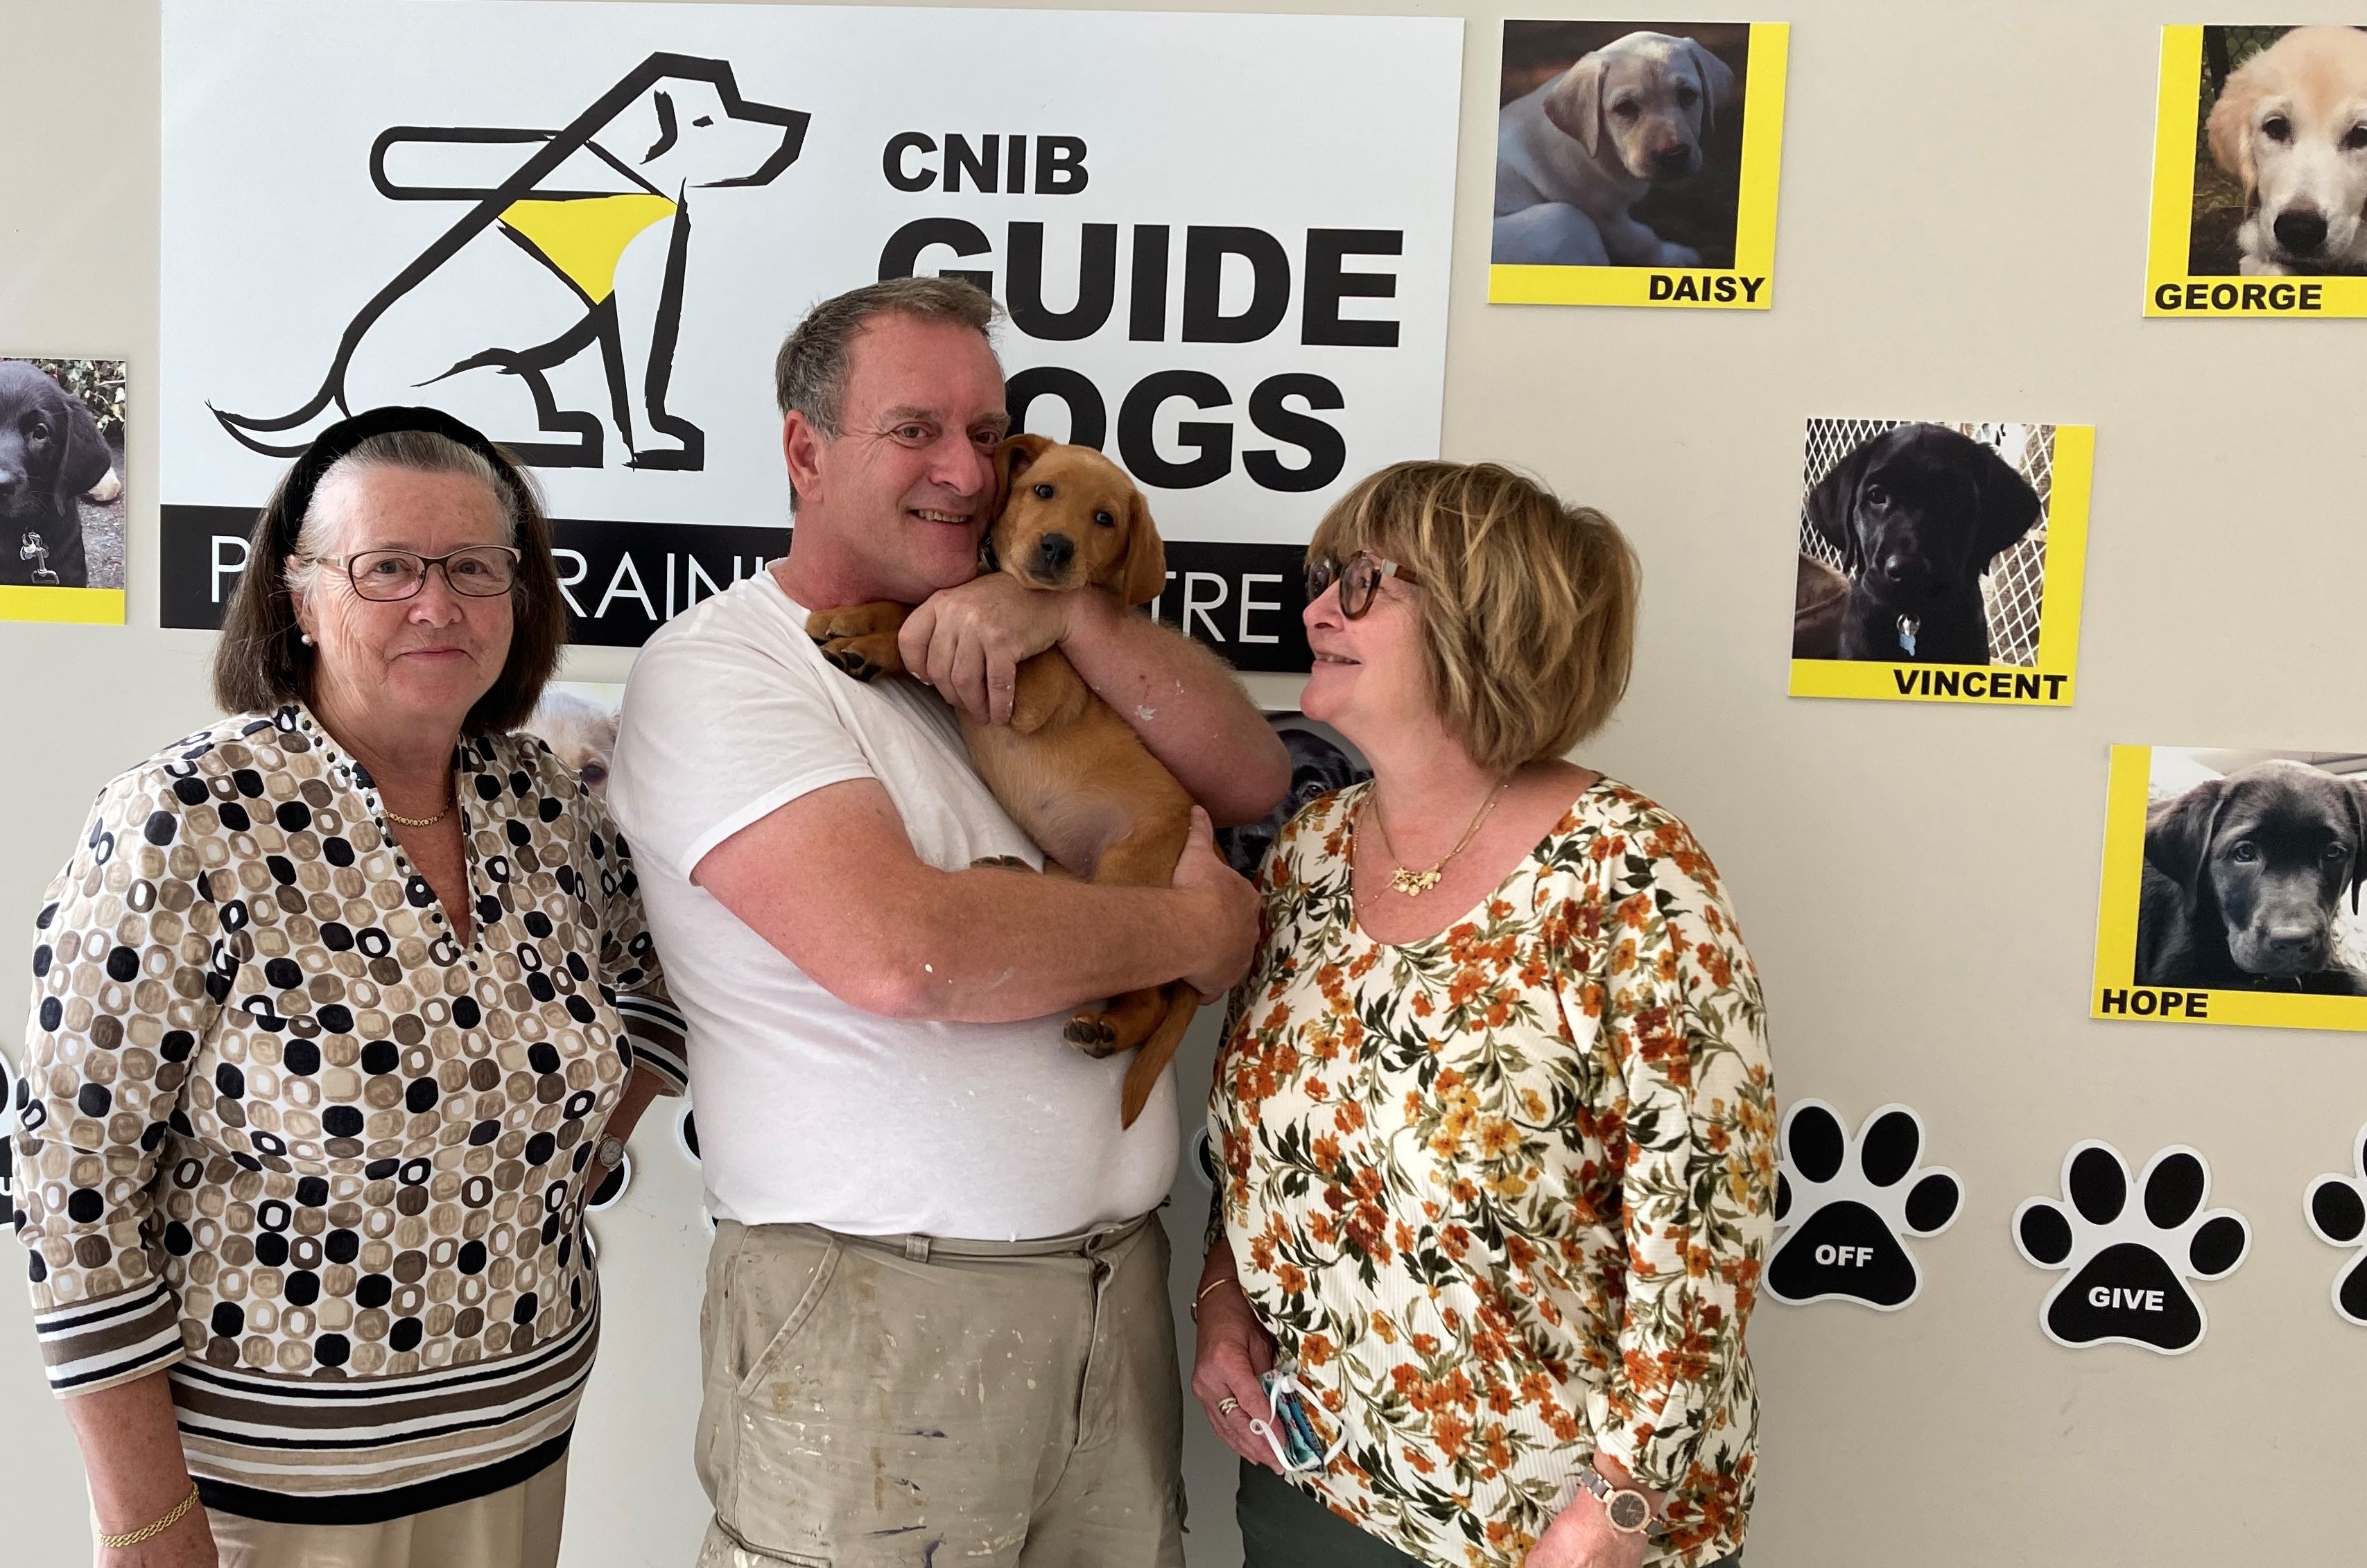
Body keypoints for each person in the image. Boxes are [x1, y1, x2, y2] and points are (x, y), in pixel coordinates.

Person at [602, 275, 1290, 1567]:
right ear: (805, 449)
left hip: (1112, 1290)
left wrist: (1068, 609)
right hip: (877, 1310)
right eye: (914, 429)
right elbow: (905, 956)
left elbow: (1252, 774)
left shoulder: (1024, 627)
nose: (966, 473)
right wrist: (1193, 936)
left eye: (988, 435)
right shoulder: (724, 667)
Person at [13, 408, 685, 1568]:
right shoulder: (184, 819)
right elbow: (76, 1178)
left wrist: (567, 1155)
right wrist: (146, 1516)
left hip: (518, 1449)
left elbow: (664, 980)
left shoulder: (548, 806)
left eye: (476, 566)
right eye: (387, 568)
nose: (439, 604)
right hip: (262, 1501)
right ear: (299, 595)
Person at [1192, 462, 1774, 1568]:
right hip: (1313, 1491)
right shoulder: (1309, 855)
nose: (1315, 608)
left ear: (1482, 615)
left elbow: (1702, 1243)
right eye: (1326, 578)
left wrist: (1621, 1510)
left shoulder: (1632, 875)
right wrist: (1221, 1301)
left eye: (1366, 582)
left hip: (1563, 1532)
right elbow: (1254, 1149)